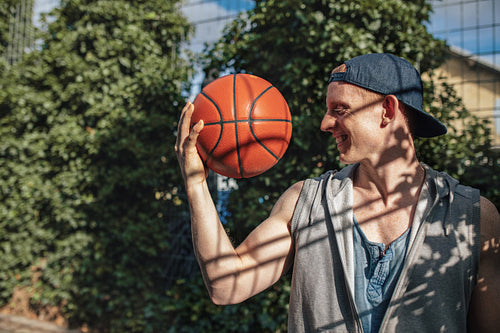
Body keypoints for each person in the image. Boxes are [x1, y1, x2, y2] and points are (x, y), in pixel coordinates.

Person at [175, 53, 499, 332]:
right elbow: (225, 284)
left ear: (387, 109)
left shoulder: (472, 217)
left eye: (340, 108)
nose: (324, 122)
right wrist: (196, 184)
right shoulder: (306, 202)